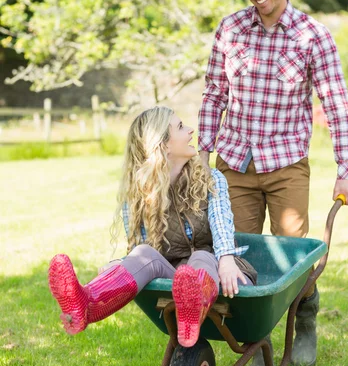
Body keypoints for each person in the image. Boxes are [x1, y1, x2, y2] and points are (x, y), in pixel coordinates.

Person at [198, 0, 348, 366]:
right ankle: (256, 346)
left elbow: (337, 104)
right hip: (234, 160)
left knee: (293, 257)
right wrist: (201, 154)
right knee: (239, 256)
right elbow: (214, 94)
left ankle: (304, 321)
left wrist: (346, 167)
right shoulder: (231, 29)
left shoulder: (313, 35)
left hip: (286, 161)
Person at [48, 106, 257, 349]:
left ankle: (194, 306)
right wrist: (121, 266)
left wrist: (227, 259)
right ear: (164, 145)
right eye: (180, 127)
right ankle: (87, 303)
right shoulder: (139, 194)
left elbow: (222, 228)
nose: (191, 130)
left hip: (223, 275)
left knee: (201, 255)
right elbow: (142, 249)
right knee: (144, 254)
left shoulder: (211, 179)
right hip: (178, 282)